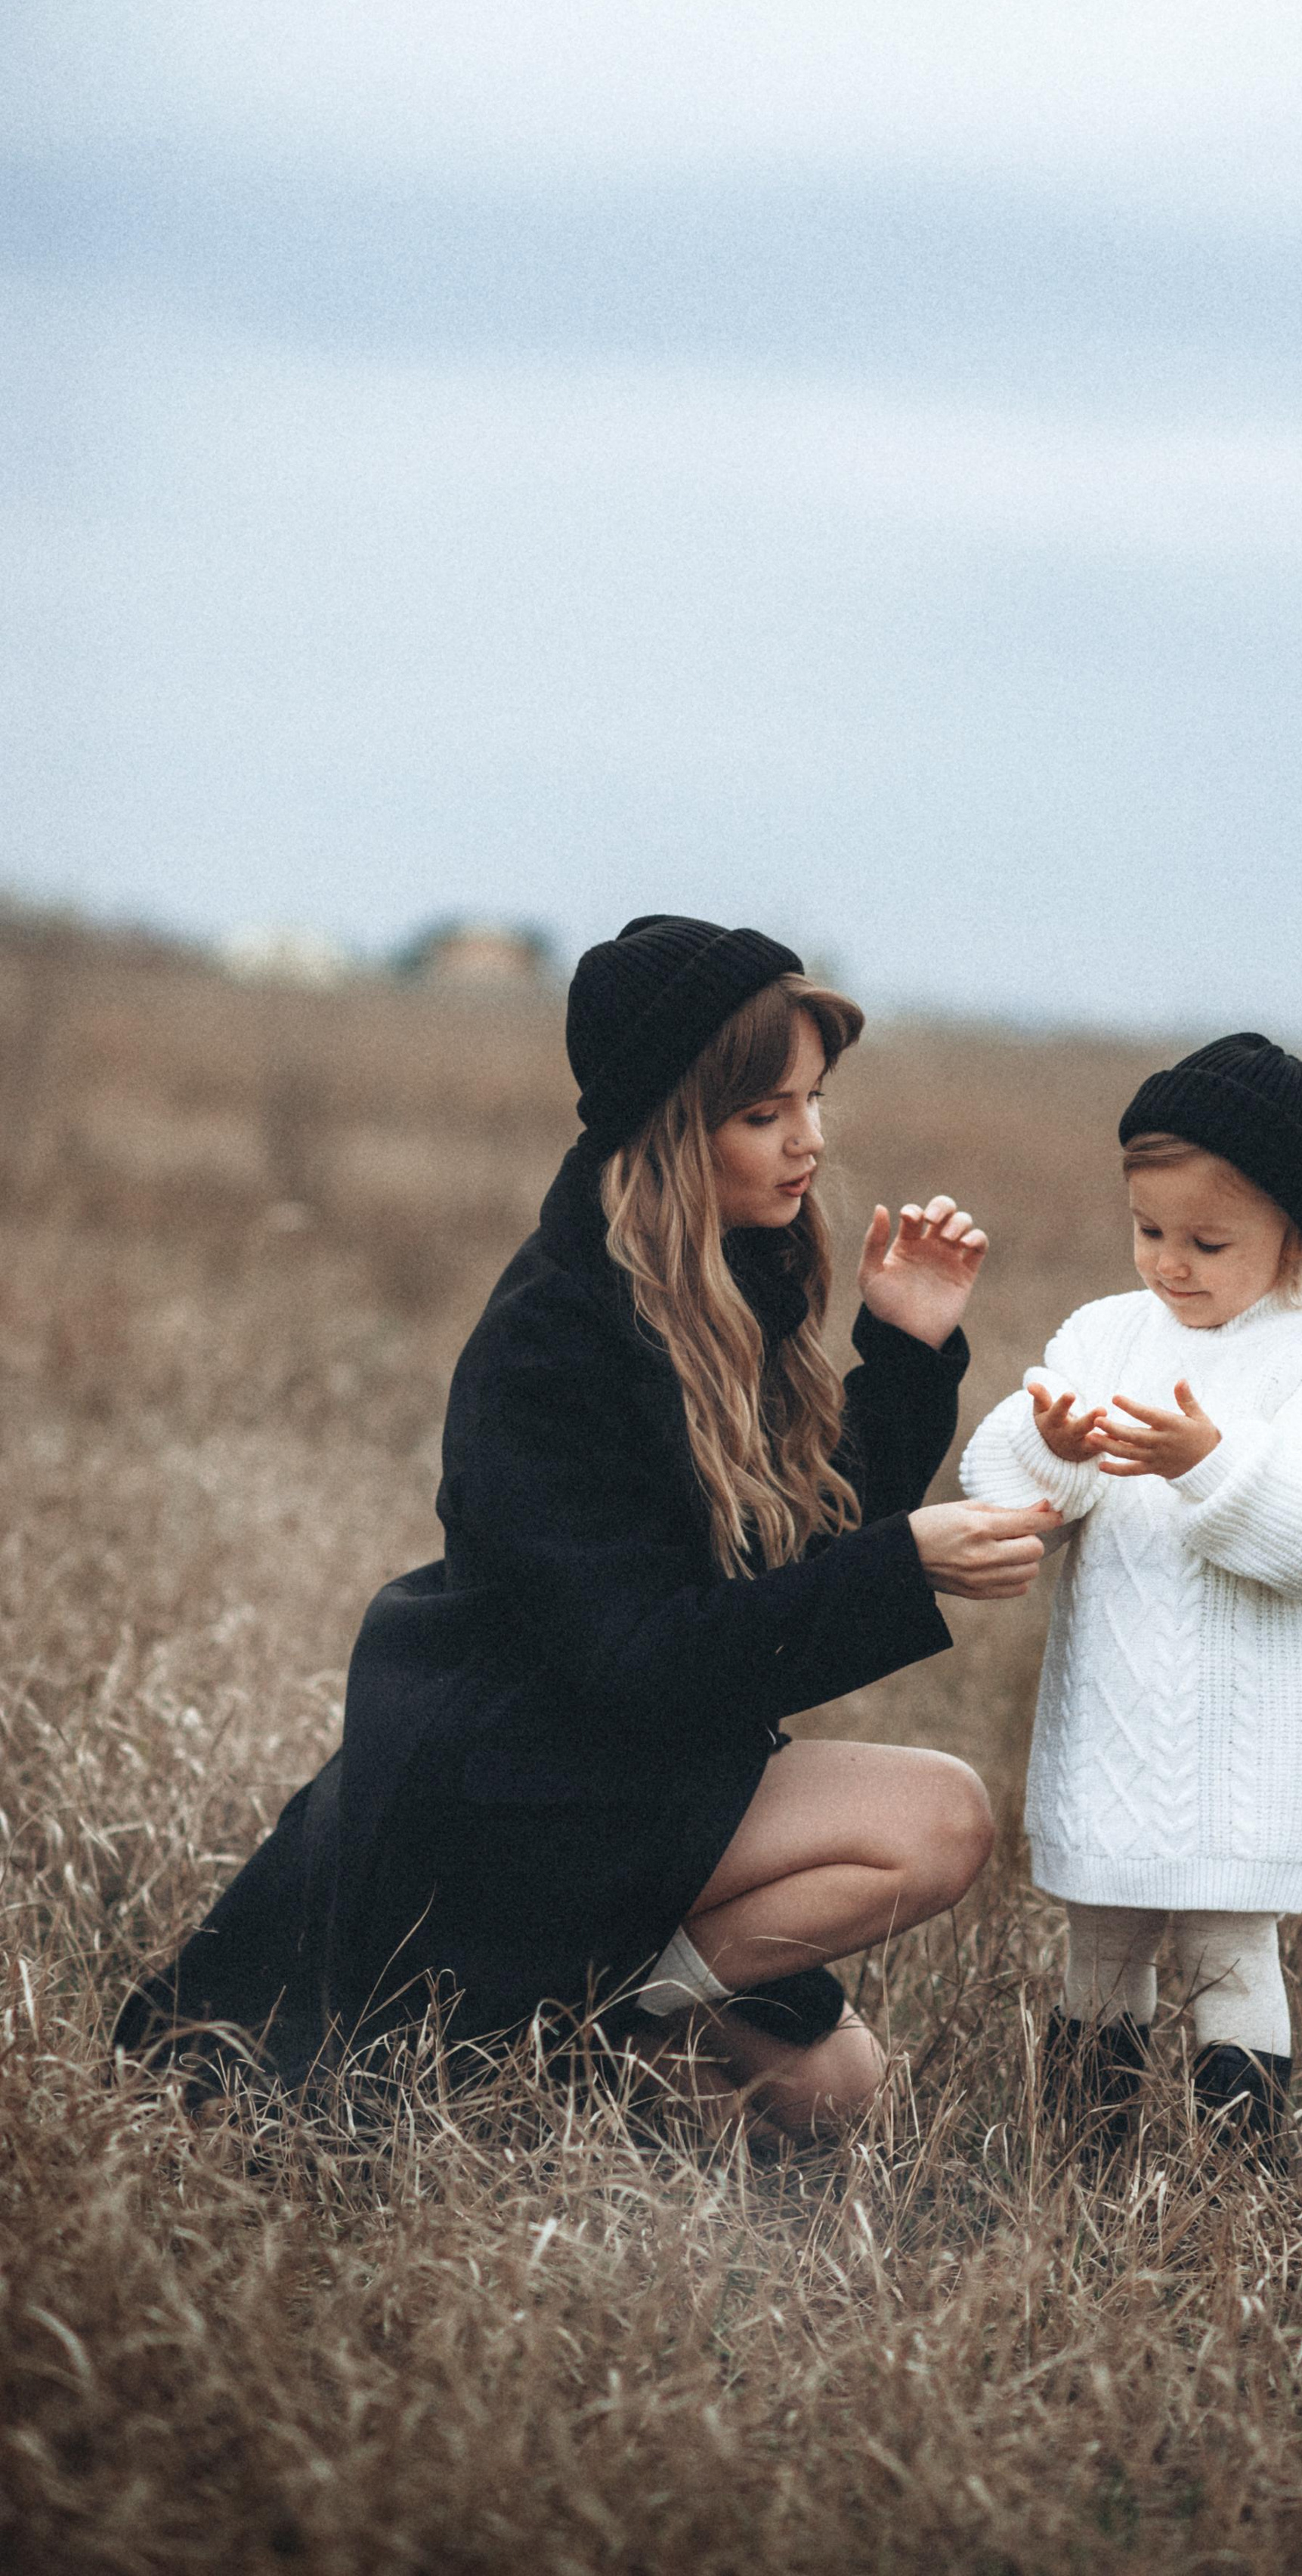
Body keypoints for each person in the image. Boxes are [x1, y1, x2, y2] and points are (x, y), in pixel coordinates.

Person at [115, 914, 1054, 2136]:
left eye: (816, 1102)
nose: (811, 1141)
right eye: (766, 1115)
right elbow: (642, 1659)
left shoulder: (735, 1275)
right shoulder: (553, 1339)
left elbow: (792, 1549)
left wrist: (907, 1351)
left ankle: (565, 2049)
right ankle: (548, 2029)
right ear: (673, 1121)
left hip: (628, 1770)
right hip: (513, 1795)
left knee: (831, 2091)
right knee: (939, 1817)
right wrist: (907, 1565)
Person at [959, 1033, 1302, 2145]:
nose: (1172, 1264)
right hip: (1113, 1721)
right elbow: (1004, 1487)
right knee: (1103, 1947)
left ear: (1292, 1232)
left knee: (1228, 1951)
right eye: (1150, 1231)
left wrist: (1210, 1464)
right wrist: (1053, 1448)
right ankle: (1082, 2158)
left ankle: (1235, 2190)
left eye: (1209, 1240)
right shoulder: (1104, 1334)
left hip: (1243, 1746)